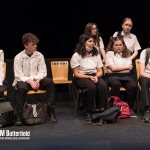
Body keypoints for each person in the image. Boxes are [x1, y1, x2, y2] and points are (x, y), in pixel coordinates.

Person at [13, 32, 57, 125]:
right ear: (26, 45)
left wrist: (37, 80)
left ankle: (51, 112)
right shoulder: (18, 57)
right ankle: (18, 116)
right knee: (21, 87)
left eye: (36, 44)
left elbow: (43, 72)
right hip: (24, 81)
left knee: (49, 82)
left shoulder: (39, 55)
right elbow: (18, 75)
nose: (35, 46)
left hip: (37, 80)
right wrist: (30, 82)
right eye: (33, 44)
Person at [70, 33, 108, 120]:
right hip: (81, 77)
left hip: (94, 75)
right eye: (90, 41)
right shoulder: (76, 55)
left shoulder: (96, 54)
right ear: (84, 43)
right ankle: (90, 111)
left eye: (93, 41)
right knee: (92, 87)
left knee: (103, 85)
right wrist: (89, 77)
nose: (92, 43)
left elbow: (100, 71)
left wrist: (96, 77)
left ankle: (102, 110)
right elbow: (76, 73)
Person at [105, 35, 137, 117]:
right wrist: (124, 67)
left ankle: (130, 108)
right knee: (116, 84)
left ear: (123, 45)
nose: (118, 47)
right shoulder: (109, 53)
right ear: (112, 45)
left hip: (126, 76)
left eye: (120, 45)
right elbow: (112, 67)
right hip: (113, 77)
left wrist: (115, 69)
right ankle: (116, 108)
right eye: (116, 45)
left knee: (133, 85)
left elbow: (128, 70)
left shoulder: (128, 53)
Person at [113, 17, 141, 82]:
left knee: (133, 82)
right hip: (118, 57)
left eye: (130, 26)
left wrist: (130, 58)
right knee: (116, 80)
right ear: (122, 25)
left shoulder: (134, 37)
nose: (128, 27)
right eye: (126, 25)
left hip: (129, 58)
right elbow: (112, 47)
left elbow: (136, 51)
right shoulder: (117, 34)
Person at [139, 40, 150, 122]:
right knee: (144, 82)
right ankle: (147, 110)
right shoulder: (145, 52)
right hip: (146, 75)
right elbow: (142, 72)